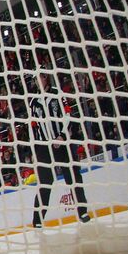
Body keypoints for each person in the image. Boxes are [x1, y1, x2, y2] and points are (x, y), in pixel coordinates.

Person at [26, 74, 92, 227]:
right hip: (43, 146)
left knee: (74, 177)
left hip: (62, 143)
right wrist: (34, 147)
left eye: (41, 78)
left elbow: (68, 115)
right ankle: (37, 221)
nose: (38, 81)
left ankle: (82, 211)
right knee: (45, 183)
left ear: (46, 79)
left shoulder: (58, 94)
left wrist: (62, 135)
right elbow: (33, 126)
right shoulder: (33, 102)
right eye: (36, 79)